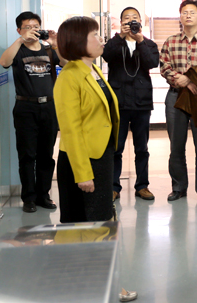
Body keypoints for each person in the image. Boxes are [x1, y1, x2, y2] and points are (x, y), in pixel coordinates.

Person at [53, 16, 136, 303]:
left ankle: (99, 284)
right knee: (86, 227)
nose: (102, 39)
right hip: (83, 162)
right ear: (79, 41)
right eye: (95, 35)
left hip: (100, 157)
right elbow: (71, 130)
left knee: (100, 224)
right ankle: (93, 286)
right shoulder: (69, 77)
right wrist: (83, 173)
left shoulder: (92, 70)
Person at [0, 11, 66, 213]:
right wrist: (20, 40)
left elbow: (67, 64)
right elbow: (4, 62)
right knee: (27, 155)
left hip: (49, 107)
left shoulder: (49, 50)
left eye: (36, 26)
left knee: (46, 155)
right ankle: (29, 198)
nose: (32, 30)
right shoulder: (18, 49)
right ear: (19, 30)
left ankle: (43, 195)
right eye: (27, 27)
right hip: (25, 108)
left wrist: (55, 43)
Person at [160, 0, 197, 204]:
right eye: (184, 12)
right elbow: (164, 67)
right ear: (180, 16)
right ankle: (178, 187)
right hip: (175, 97)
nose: (188, 15)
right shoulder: (170, 41)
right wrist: (182, 81)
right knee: (176, 147)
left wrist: (190, 79)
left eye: (192, 12)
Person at [102, 7, 159, 202]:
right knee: (115, 148)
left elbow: (152, 63)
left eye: (134, 18)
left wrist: (140, 40)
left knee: (141, 148)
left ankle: (142, 186)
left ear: (140, 22)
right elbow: (106, 55)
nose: (131, 21)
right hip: (118, 102)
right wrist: (120, 37)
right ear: (121, 22)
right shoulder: (115, 42)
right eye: (127, 18)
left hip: (142, 103)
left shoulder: (148, 44)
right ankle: (113, 186)